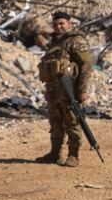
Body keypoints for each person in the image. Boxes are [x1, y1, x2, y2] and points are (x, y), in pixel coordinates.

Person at [36, 9, 94, 167]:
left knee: (72, 122)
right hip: (54, 90)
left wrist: (82, 90)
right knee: (55, 122)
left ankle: (73, 155)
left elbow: (85, 67)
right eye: (55, 24)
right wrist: (48, 90)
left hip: (70, 91)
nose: (59, 27)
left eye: (62, 23)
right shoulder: (54, 42)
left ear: (69, 24)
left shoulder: (76, 41)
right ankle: (55, 153)